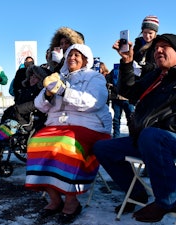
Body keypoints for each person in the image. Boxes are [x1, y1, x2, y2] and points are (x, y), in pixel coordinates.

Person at [93, 34, 176, 223]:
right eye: (156, 47)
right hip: (149, 140)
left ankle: (169, 200)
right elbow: (128, 93)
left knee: (152, 136)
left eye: (164, 46)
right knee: (103, 147)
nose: (158, 50)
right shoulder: (156, 75)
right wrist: (127, 62)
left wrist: (158, 127)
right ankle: (137, 193)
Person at [24, 44, 112, 223]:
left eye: (77, 55)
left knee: (64, 144)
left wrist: (65, 91)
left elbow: (93, 102)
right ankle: (55, 199)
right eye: (70, 54)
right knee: (35, 143)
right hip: (58, 126)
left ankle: (71, 201)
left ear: (86, 59)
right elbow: (39, 105)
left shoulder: (94, 77)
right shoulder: (58, 77)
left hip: (89, 126)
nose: (72, 57)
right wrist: (48, 93)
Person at [0, 65, 50, 171]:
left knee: (2, 132)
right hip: (19, 119)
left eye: (35, 77)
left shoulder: (40, 92)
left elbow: (31, 106)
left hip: (28, 122)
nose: (32, 78)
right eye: (31, 76)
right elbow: (17, 106)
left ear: (41, 79)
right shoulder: (26, 89)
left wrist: (16, 112)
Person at [105, 64, 134, 138]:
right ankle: (132, 137)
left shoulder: (115, 70)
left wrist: (111, 85)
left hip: (118, 98)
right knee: (130, 119)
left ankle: (116, 136)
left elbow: (107, 80)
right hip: (126, 99)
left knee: (117, 119)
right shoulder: (131, 70)